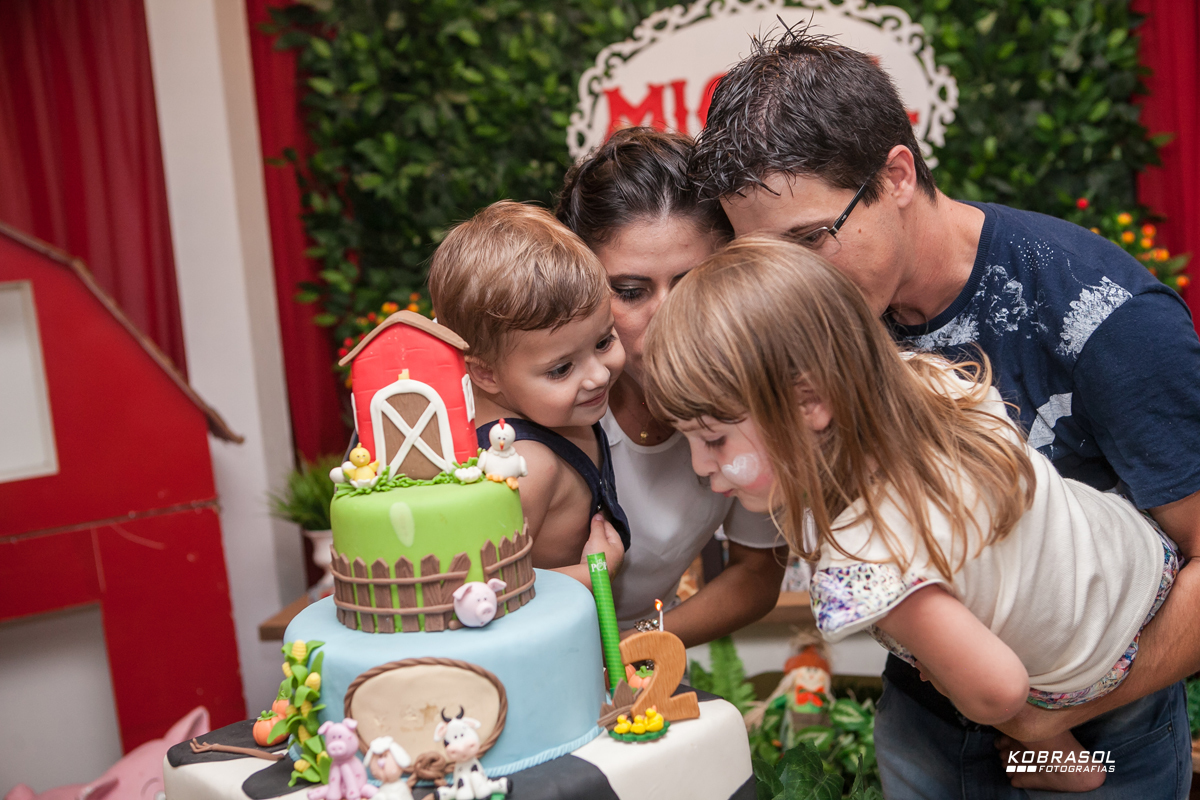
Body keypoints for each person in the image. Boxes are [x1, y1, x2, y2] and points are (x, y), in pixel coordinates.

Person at [690, 28, 1200, 797]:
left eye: (809, 239)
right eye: (766, 255)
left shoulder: (1102, 316)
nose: (792, 285)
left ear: (896, 173)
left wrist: (1036, 722)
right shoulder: (810, 323)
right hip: (928, 717)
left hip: (1097, 719)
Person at [643, 237, 1180, 793]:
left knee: (987, 693)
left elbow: (999, 690)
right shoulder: (914, 381)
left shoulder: (868, 559)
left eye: (713, 438)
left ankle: (1062, 764)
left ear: (811, 404)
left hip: (1092, 663)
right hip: (1135, 556)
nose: (700, 465)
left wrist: (951, 677)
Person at [556, 128, 788, 644]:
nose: (667, 318)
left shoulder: (756, 399)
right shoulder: (532, 398)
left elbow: (756, 572)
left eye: (694, 284)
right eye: (631, 291)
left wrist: (637, 649)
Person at [428, 200, 627, 588]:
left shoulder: (558, 411)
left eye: (604, 341)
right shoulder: (525, 465)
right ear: (485, 372)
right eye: (561, 369)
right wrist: (593, 576)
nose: (598, 375)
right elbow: (479, 593)